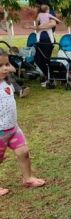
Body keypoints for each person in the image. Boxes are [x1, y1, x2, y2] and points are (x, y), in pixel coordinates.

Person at [0, 48, 46, 196]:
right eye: (0, 66)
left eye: (6, 64)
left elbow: (11, 68)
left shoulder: (6, 81)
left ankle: (28, 178)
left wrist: (6, 65)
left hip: (13, 128)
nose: (6, 68)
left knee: (24, 152)